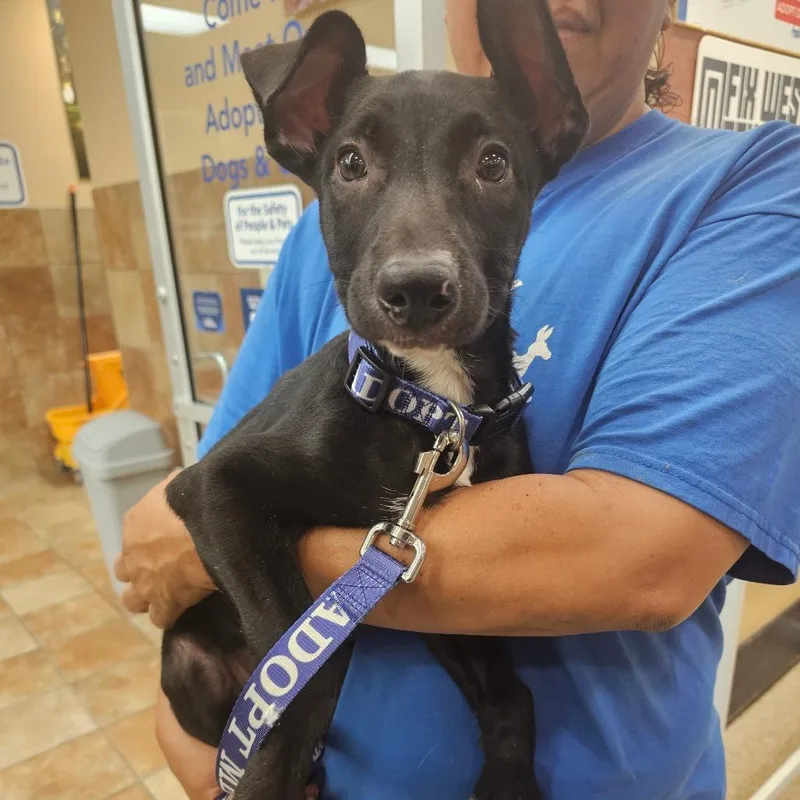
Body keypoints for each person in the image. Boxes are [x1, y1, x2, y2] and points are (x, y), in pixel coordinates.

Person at [115, 1, 800, 798]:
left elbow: (644, 562)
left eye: (490, 164)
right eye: (355, 167)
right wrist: (216, 756)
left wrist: (251, 565)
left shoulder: (753, 186)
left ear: (548, 122)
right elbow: (208, 497)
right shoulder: (317, 241)